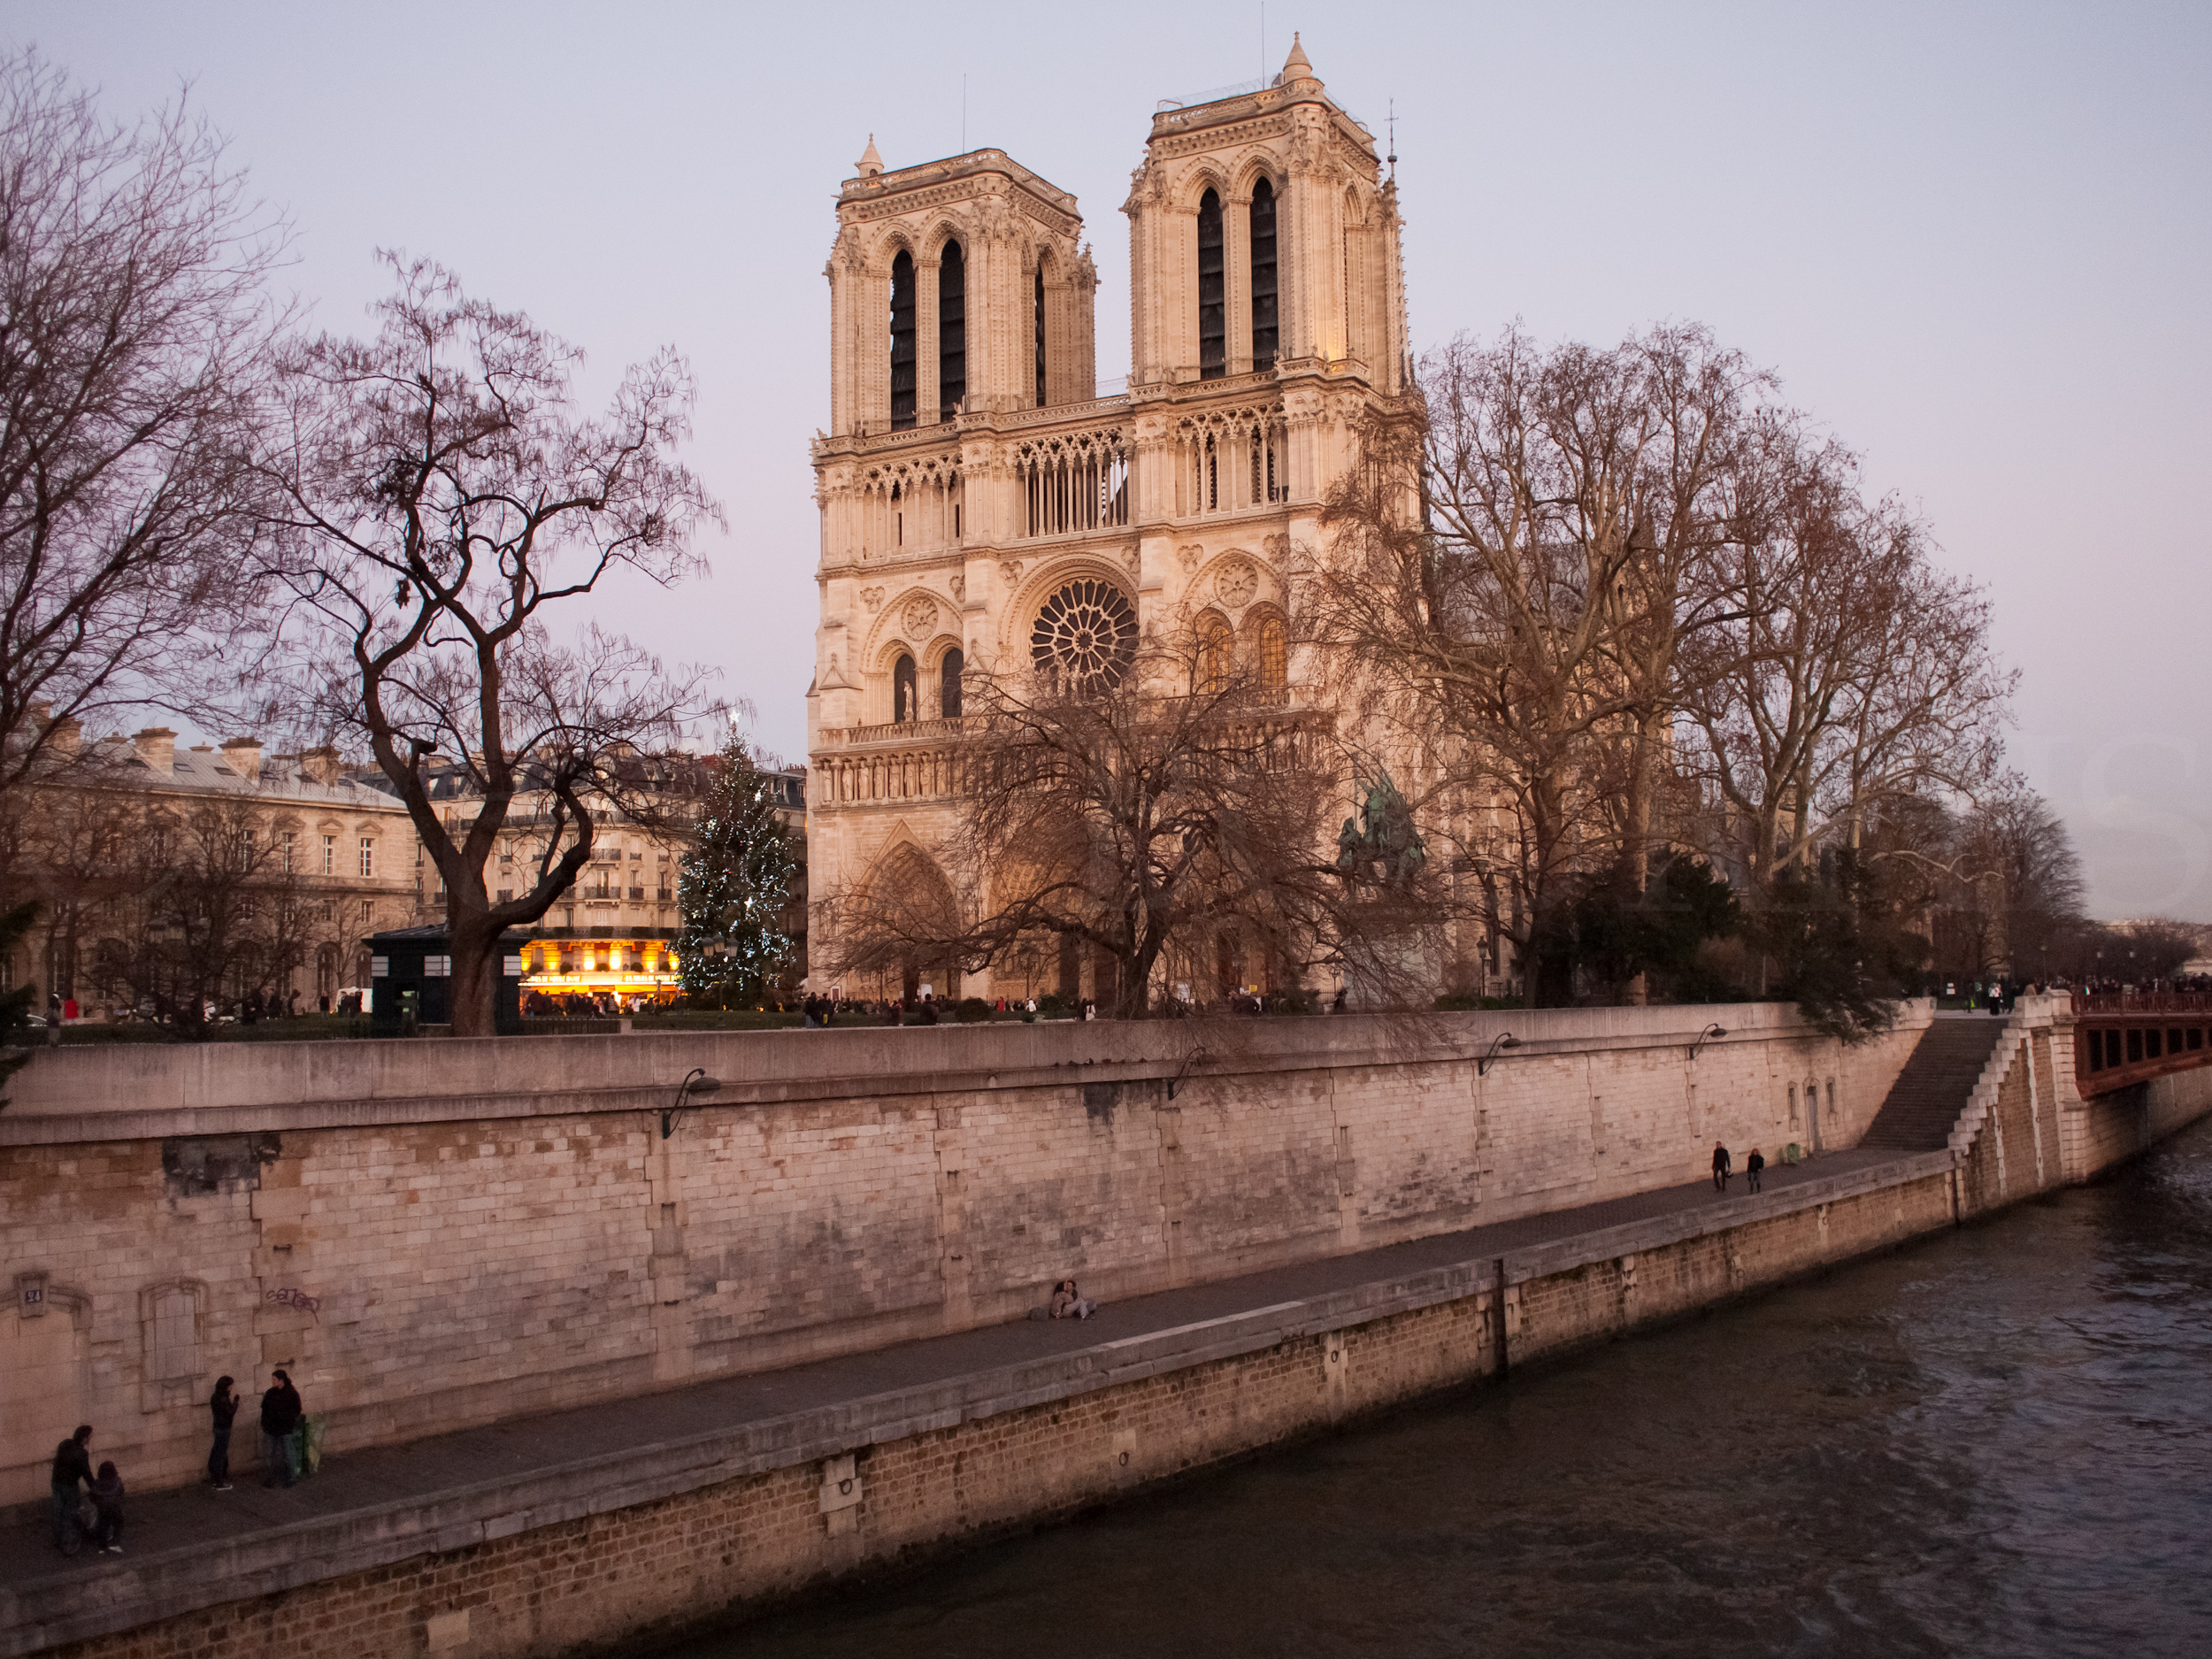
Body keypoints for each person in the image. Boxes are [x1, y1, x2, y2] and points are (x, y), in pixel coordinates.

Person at [50, 1425, 92, 1552]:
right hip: (69, 1485)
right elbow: (86, 1473)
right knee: (70, 1512)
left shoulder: (65, 1444)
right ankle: (69, 1540)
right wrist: (94, 1488)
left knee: (58, 1511)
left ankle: (58, 1539)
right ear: (85, 1438)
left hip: (56, 1481)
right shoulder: (82, 1453)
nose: (90, 1439)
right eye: (90, 1436)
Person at [260, 1369, 303, 1487]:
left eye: (275, 1380)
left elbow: (296, 1410)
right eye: (272, 1380)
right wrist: (265, 1424)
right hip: (271, 1428)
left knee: (288, 1454)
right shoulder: (270, 1393)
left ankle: (290, 1477)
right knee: (270, 1454)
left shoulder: (291, 1393)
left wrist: (287, 1420)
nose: (272, 1382)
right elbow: (265, 1409)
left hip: (285, 1428)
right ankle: (270, 1478)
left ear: (281, 1380)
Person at [207, 1375, 239, 1489]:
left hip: (217, 1427)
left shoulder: (215, 1397)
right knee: (221, 1454)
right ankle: (219, 1481)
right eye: (230, 1387)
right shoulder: (223, 1398)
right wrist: (235, 1402)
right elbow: (230, 1412)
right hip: (224, 1428)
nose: (230, 1389)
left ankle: (216, 1477)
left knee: (217, 1452)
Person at [88, 1460, 126, 1554]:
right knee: (118, 1523)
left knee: (103, 1525)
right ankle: (115, 1544)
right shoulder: (117, 1481)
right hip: (115, 1507)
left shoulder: (97, 1483)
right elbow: (121, 1492)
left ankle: (102, 1547)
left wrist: (97, 1502)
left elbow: (92, 1496)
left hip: (102, 1508)